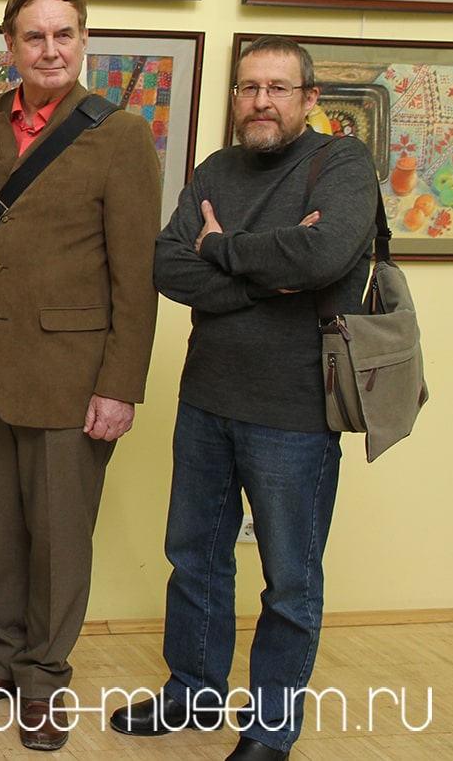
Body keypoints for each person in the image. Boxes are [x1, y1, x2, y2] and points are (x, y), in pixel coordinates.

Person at [110, 37, 378, 761]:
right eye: (249, 87)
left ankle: (270, 729)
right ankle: (193, 692)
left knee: (289, 579)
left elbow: (323, 256)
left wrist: (221, 249)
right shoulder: (215, 170)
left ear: (309, 98)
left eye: (278, 88)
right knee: (194, 557)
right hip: (205, 399)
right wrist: (270, 275)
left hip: (295, 412)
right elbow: (168, 265)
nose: (261, 101)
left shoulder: (341, 164)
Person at [0, 0, 161, 751]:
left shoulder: (122, 134)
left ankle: (42, 678)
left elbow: (136, 275)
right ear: (10, 46)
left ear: (84, 41)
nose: (50, 49)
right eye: (34, 36)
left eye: (64, 34)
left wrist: (119, 386)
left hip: (73, 375)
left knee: (61, 536)